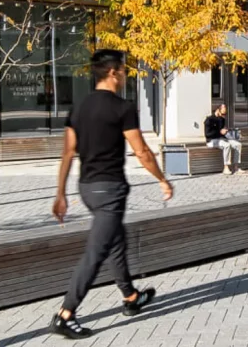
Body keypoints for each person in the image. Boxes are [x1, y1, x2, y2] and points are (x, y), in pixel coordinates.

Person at [50, 49, 174, 340]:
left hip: (88, 189)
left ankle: (131, 298)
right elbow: (141, 151)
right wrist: (162, 179)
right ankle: (65, 315)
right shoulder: (123, 108)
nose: (127, 74)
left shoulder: (79, 106)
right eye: (125, 70)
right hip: (110, 190)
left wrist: (60, 194)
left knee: (116, 241)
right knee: (96, 252)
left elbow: (68, 151)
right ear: (113, 72)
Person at [205, 103, 242, 174]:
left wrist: (231, 134)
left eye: (224, 114)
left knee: (238, 144)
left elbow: (222, 132)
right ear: (217, 110)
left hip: (221, 139)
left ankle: (236, 167)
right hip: (211, 141)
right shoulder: (209, 120)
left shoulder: (221, 119)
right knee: (226, 145)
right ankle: (226, 167)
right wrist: (220, 132)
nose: (223, 116)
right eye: (222, 114)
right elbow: (207, 134)